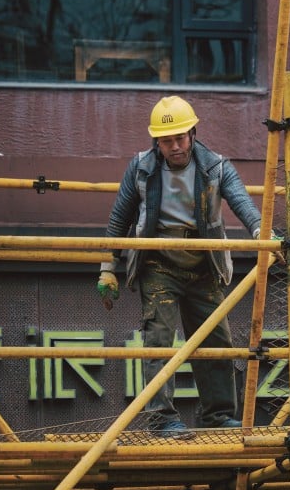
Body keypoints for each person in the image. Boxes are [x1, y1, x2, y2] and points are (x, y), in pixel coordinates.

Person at [96, 96, 271, 439]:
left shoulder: (216, 167)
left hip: (204, 263)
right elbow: (120, 217)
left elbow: (241, 202)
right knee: (159, 339)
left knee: (216, 340)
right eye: (166, 141)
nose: (174, 147)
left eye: (179, 138)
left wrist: (263, 234)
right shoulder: (142, 167)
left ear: (193, 133)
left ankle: (217, 417)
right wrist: (107, 267)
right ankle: (162, 419)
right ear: (156, 141)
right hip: (158, 263)